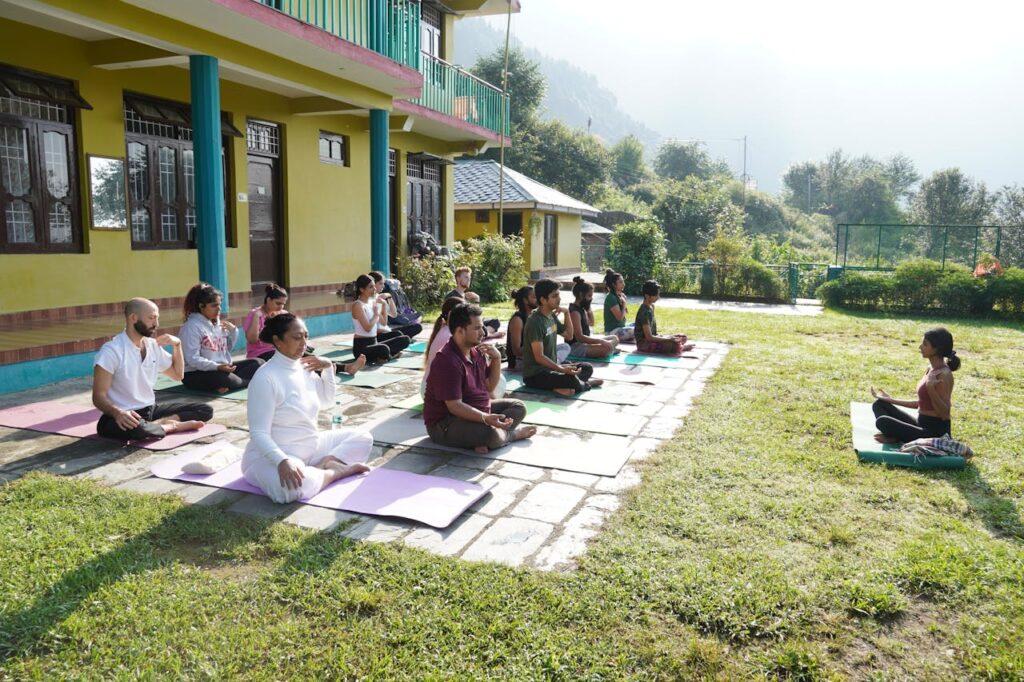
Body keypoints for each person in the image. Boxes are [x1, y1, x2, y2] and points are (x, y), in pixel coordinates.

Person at [242, 313, 373, 504]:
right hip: (275, 456)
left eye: (306, 336)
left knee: (363, 438)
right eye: (297, 337)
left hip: (312, 448)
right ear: (277, 341)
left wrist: (328, 368)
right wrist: (282, 461)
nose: (304, 343)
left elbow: (327, 401)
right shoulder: (265, 378)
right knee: (288, 491)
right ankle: (334, 472)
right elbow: (258, 432)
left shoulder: (305, 368)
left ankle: (323, 463)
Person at [92, 298, 212, 441]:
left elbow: (177, 375)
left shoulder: (152, 345)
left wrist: (177, 345)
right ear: (133, 318)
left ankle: (159, 424)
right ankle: (170, 426)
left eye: (157, 318)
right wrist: (118, 413)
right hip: (123, 415)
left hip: (150, 409)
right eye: (151, 318)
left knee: (205, 409)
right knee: (135, 430)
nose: (156, 324)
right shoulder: (112, 351)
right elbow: (98, 396)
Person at [423, 303, 535, 453]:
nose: (483, 332)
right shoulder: (447, 361)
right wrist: (485, 418)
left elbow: (488, 386)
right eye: (476, 328)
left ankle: (484, 437)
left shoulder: (476, 351)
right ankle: (509, 435)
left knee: (518, 406)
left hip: (478, 411)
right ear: (460, 331)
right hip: (445, 423)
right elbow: (454, 406)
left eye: (482, 327)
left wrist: (496, 359)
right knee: (488, 432)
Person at [871, 327, 958, 443]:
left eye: (925, 344)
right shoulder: (930, 369)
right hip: (921, 424)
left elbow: (944, 414)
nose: (920, 347)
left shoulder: (944, 374)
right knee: (880, 405)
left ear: (936, 349)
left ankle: (896, 437)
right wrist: (890, 400)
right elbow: (921, 404)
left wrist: (931, 388)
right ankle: (898, 436)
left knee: (882, 421)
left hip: (935, 434)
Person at [522, 279, 602, 397]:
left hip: (551, 368)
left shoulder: (551, 315)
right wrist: (561, 369)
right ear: (543, 300)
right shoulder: (535, 321)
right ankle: (583, 384)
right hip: (536, 375)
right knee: (569, 378)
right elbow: (539, 357)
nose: (559, 299)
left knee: (586, 368)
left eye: (559, 295)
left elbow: (569, 336)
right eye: (554, 296)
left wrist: (566, 313)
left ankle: (569, 385)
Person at [180, 283, 265, 393]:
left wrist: (234, 333)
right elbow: (192, 359)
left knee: (259, 363)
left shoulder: (217, 323)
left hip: (221, 369)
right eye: (214, 305)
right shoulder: (191, 327)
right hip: (195, 373)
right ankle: (240, 382)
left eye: (219, 305)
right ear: (201, 306)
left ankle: (232, 384)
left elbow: (225, 350)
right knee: (223, 379)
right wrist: (217, 367)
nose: (219, 309)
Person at [351, 274, 411, 364]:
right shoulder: (358, 305)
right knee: (384, 348)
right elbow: (367, 328)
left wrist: (382, 306)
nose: (374, 289)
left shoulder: (372, 302)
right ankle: (387, 355)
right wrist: (376, 315)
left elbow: (383, 323)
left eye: (374, 286)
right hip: (362, 347)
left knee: (405, 339)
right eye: (371, 287)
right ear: (362, 289)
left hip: (374, 342)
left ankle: (384, 356)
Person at [634, 280, 693, 356]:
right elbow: (649, 337)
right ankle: (681, 347)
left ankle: (679, 346)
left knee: (683, 337)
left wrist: (668, 338)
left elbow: (653, 334)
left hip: (654, 338)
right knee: (674, 345)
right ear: (647, 296)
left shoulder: (651, 307)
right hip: (644, 344)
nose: (658, 297)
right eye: (656, 295)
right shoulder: (644, 312)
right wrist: (668, 339)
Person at [568, 276, 619, 358]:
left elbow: (592, 323)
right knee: (605, 349)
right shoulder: (574, 312)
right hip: (575, 346)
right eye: (589, 296)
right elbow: (580, 337)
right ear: (581, 295)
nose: (591, 299)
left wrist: (588, 309)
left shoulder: (582, 308)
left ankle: (610, 349)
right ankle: (609, 350)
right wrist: (601, 341)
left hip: (585, 343)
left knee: (615, 338)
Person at [369, 270, 423, 338]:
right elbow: (381, 323)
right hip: (377, 333)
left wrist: (389, 297)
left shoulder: (381, 298)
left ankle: (400, 338)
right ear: (373, 284)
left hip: (385, 330)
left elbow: (394, 314)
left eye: (383, 283)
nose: (383, 286)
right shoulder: (369, 300)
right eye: (380, 283)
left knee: (417, 327)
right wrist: (380, 303)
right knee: (399, 335)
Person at [444, 266, 499, 332]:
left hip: (471, 323)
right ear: (458, 279)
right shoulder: (451, 296)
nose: (468, 280)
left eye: (469, 278)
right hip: (462, 326)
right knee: (479, 327)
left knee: (495, 322)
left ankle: (484, 332)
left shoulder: (468, 296)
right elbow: (450, 320)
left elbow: (476, 314)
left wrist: (477, 300)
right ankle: (486, 333)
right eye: (466, 277)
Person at [244, 283, 289, 361]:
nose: (281, 307)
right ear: (268, 300)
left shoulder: (284, 314)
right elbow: (252, 340)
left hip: (279, 350)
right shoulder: (254, 314)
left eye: (283, 304)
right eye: (278, 303)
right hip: (259, 353)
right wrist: (256, 317)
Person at [506, 285, 536, 371]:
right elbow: (516, 351)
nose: (537, 300)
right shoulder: (517, 320)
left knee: (564, 347)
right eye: (534, 297)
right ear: (525, 300)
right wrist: (538, 346)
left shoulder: (534, 316)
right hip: (519, 361)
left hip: (535, 356)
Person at [603, 269, 635, 342]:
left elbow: (625, 313)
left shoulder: (618, 296)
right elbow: (620, 317)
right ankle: (630, 339)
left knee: (640, 324)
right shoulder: (611, 298)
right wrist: (624, 304)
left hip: (621, 328)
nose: (623, 284)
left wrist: (623, 301)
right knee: (637, 330)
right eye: (620, 282)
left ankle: (630, 339)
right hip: (612, 332)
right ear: (614, 285)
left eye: (623, 281)